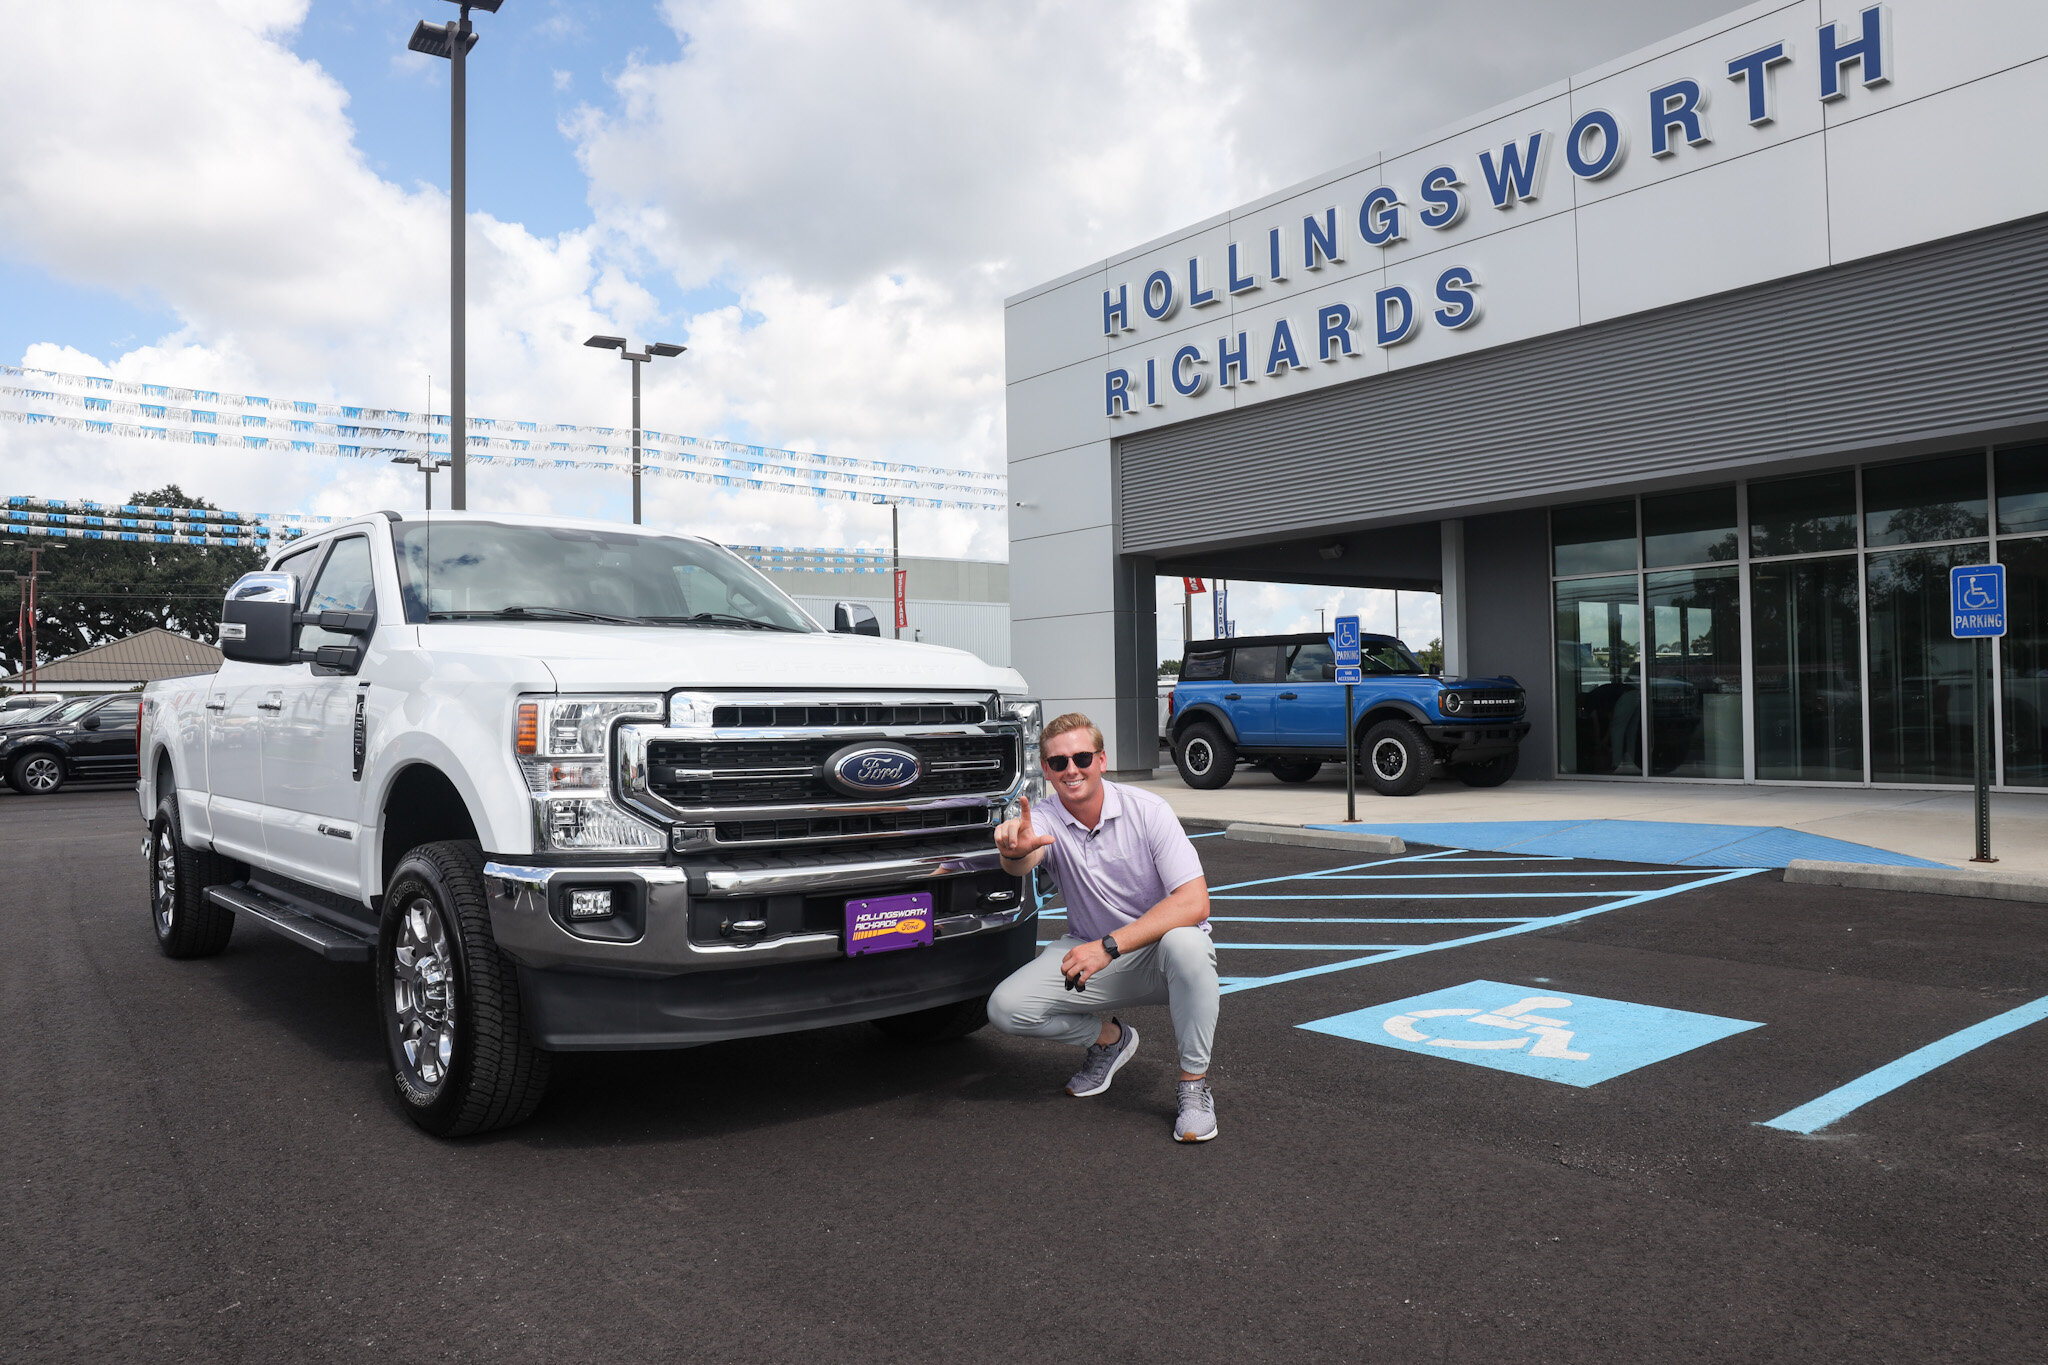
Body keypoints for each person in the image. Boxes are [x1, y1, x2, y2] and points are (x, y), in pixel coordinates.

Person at [985, 711, 1220, 1142]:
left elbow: (1194, 901)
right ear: (1047, 771)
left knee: (1188, 944)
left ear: (1102, 759)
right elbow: (1026, 857)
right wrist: (1014, 853)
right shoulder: (1046, 817)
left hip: (1154, 955)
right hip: (1093, 955)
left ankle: (1193, 1087)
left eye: (1081, 757)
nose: (1071, 769)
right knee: (1005, 1008)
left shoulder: (1148, 810)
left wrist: (1108, 945)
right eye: (1058, 763)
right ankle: (1110, 1040)